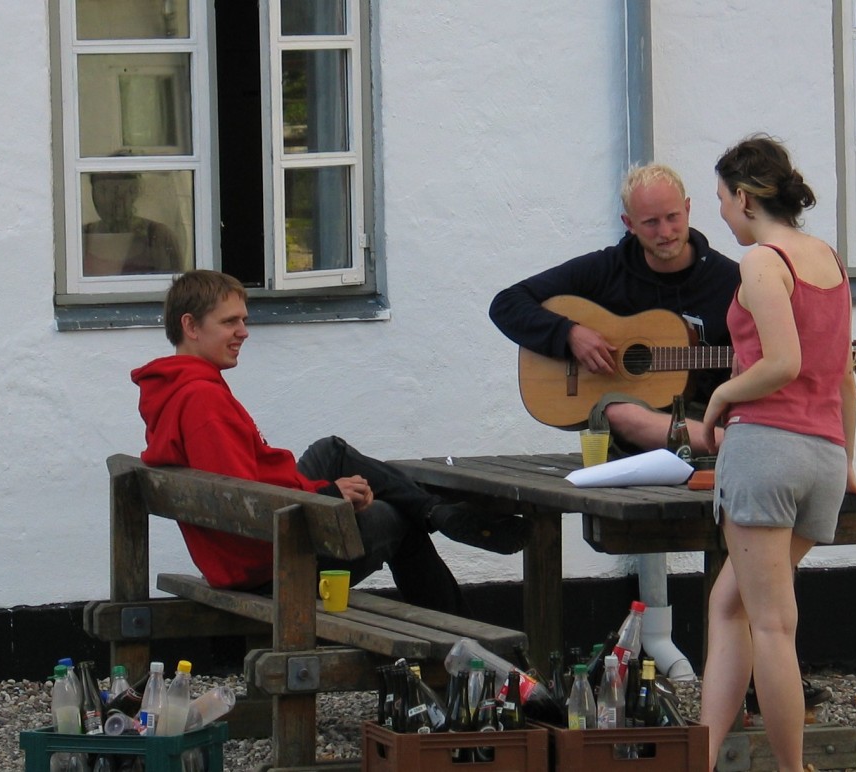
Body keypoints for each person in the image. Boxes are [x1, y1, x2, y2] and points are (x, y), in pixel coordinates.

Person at [131, 269, 532, 616]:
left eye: (243, 320)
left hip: (252, 543)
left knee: (331, 451)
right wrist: (326, 495)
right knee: (395, 517)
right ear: (191, 326)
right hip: (271, 561)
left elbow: (242, 488)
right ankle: (456, 644)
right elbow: (246, 506)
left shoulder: (176, 387)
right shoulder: (202, 400)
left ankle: (435, 511)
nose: (243, 332)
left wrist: (321, 490)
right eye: (229, 322)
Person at [489, 163, 740, 680]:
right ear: (628, 223)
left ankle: (745, 671)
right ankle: (712, 443)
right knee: (618, 409)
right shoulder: (606, 270)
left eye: (672, 218)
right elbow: (506, 304)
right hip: (634, 430)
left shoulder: (730, 281)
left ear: (689, 210)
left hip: (706, 416)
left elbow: (762, 356)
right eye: (650, 223)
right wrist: (569, 334)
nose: (665, 233)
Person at [696, 136, 856, 772]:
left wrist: (719, 394)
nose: (720, 213)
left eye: (721, 200)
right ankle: (703, 754)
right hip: (823, 456)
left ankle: (791, 769)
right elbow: (841, 375)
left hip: (767, 450)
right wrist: (848, 461)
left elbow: (784, 364)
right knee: (730, 605)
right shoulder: (826, 258)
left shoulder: (761, 262)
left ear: (744, 198)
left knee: (771, 625)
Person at [83, 171, 184, 276]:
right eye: (103, 190)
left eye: (118, 190)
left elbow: (178, 287)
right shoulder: (80, 239)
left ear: (134, 192)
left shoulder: (159, 237)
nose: (111, 199)